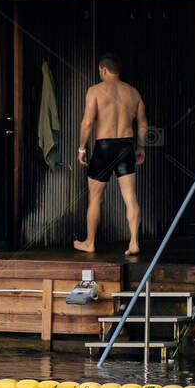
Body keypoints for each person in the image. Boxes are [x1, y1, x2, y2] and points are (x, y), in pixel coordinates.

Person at [72, 54, 148, 257]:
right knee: (130, 197)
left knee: (95, 198)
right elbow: (142, 124)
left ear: (103, 70)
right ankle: (133, 242)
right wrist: (140, 147)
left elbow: (87, 122)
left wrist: (81, 148)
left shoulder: (95, 91)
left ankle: (90, 242)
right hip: (126, 146)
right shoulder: (133, 93)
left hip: (104, 147)